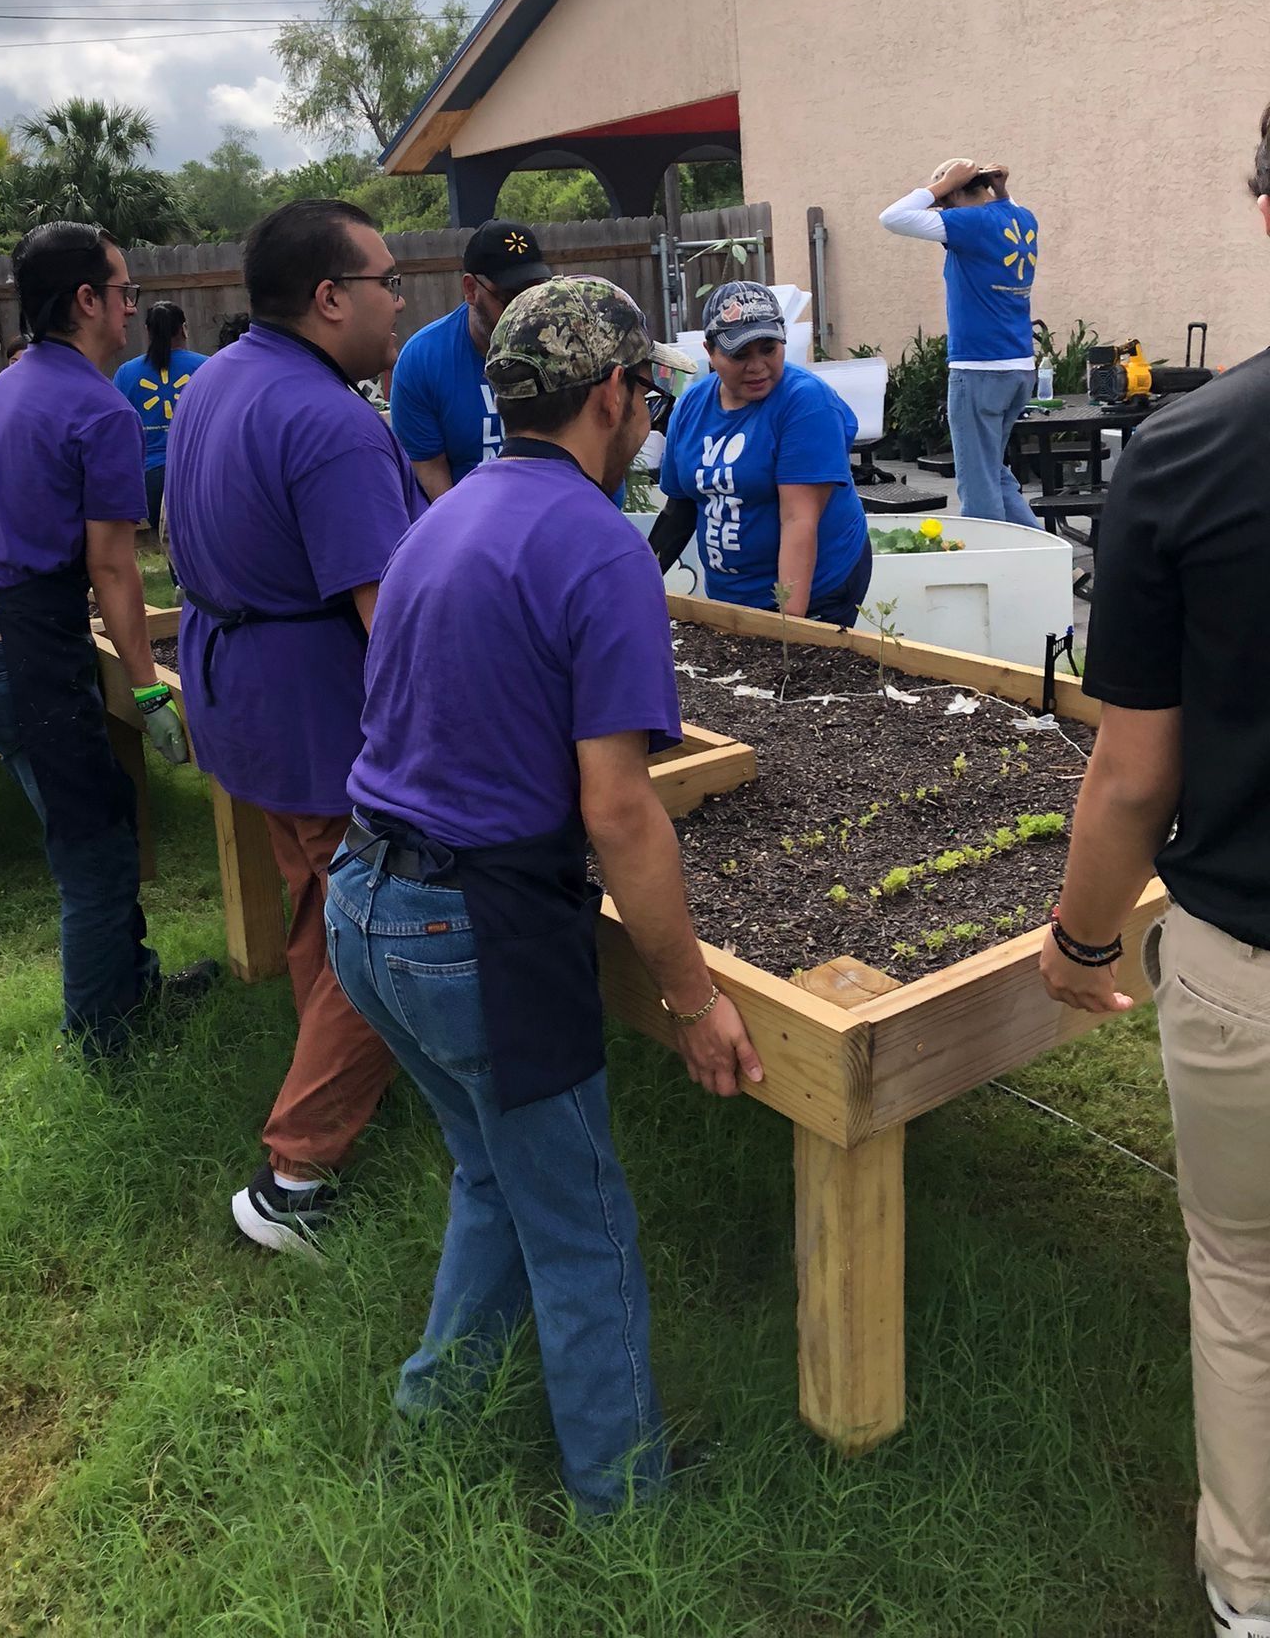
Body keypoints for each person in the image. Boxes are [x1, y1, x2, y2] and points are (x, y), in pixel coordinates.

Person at [328, 276, 763, 1517]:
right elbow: (619, 806)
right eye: (648, 395)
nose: (647, 420)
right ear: (615, 394)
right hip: (476, 933)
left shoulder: (444, 520)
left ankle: (436, 1412)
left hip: (367, 901)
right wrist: (693, 997)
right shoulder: (599, 546)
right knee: (586, 1225)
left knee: (492, 1174)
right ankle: (628, 1506)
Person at [1036, 106, 1270, 1638]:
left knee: (1244, 1279)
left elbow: (1132, 770)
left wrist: (1079, 941)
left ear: (1263, 205)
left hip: (1250, 965)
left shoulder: (1186, 454)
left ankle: (1252, 1591)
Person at [163, 199, 425, 1250]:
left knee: (321, 908)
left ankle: (343, 1097)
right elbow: (388, 618)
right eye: (386, 280)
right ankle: (296, 1178)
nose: (400, 299)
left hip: (238, 693)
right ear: (329, 298)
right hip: (320, 715)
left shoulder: (221, 378)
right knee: (386, 933)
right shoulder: (334, 426)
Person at [0, 222, 215, 1058]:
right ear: (87, 300)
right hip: (18, 648)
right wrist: (151, 687)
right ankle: (108, 1039)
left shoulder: (12, 384)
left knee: (96, 814)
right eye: (123, 291)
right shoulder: (98, 410)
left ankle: (129, 989)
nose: (131, 306)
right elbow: (115, 569)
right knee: (93, 849)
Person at [651, 281, 872, 625]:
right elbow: (679, 509)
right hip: (732, 591)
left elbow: (798, 521)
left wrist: (788, 631)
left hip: (818, 587)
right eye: (740, 355)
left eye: (768, 349)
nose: (757, 366)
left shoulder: (806, 404)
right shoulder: (692, 405)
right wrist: (642, 585)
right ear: (710, 351)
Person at [879, 158, 1041, 527]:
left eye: (941, 201)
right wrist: (999, 189)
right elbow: (1006, 205)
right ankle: (1055, 562)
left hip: (979, 371)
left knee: (977, 486)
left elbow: (892, 217)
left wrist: (940, 185)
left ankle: (987, 570)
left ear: (953, 193)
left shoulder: (971, 223)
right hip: (1018, 368)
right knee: (993, 475)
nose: (937, 209)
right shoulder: (1022, 218)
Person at [389, 218, 552, 501]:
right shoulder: (423, 360)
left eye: (536, 295)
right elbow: (430, 472)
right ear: (471, 289)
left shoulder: (561, 347)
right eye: (511, 298)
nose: (525, 312)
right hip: (471, 523)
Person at [113, 303, 210, 539]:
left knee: (173, 548)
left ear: (148, 331)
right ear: (183, 329)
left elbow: (118, 426)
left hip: (152, 473)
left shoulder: (127, 373)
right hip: (199, 467)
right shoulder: (207, 366)